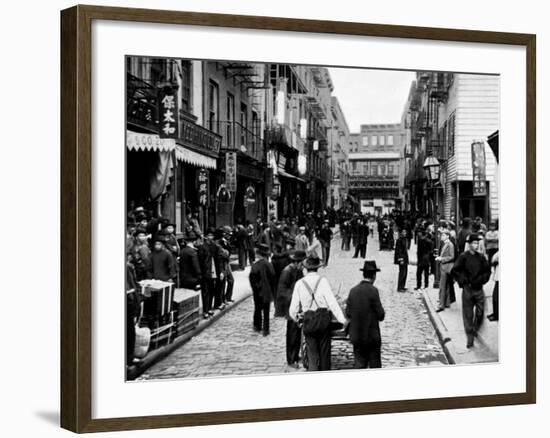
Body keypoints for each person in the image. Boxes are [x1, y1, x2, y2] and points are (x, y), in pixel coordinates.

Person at [289, 255, 347, 371]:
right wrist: (343, 320)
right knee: (325, 354)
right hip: (323, 321)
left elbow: (293, 310)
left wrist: (298, 320)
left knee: (312, 354)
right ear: (317, 268)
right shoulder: (323, 281)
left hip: (309, 321)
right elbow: (332, 303)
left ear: (306, 268)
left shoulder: (300, 284)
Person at [451, 234, 491, 348]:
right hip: (468, 290)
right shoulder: (463, 257)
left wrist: (481, 280)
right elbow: (455, 270)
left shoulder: (481, 257)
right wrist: (463, 281)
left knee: (480, 312)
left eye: (477, 243)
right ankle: (470, 338)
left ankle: (474, 329)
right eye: (474, 243)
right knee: (468, 315)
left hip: (478, 289)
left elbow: (487, 272)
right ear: (469, 245)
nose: (476, 245)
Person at [345, 260, 385, 368]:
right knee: (375, 366)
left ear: (363, 274)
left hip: (357, 337)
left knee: (359, 365)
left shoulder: (353, 291)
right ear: (374, 276)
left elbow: (348, 313)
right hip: (371, 338)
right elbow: (381, 315)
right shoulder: (373, 291)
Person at [277, 250, 307, 367]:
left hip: (298, 306)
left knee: (297, 332)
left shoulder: (298, 270)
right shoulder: (287, 271)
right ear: (298, 262)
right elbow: (282, 291)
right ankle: (291, 359)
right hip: (291, 306)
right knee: (292, 334)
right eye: (303, 262)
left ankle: (295, 355)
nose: (304, 265)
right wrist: (295, 297)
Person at [249, 244, 276, 336]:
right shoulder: (269, 265)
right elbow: (273, 277)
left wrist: (255, 289)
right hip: (267, 291)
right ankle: (266, 329)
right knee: (266, 311)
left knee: (257, 308)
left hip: (258, 291)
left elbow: (252, 279)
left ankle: (257, 326)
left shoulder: (255, 265)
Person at [197, 228, 221, 319]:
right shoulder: (202, 247)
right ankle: (205, 310)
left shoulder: (214, 246)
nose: (210, 237)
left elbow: (217, 259)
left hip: (213, 271)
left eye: (212, 236)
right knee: (205, 292)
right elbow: (200, 261)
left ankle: (209, 308)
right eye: (209, 236)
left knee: (211, 290)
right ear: (206, 237)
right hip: (205, 272)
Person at [435, 230, 455, 311]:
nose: (441, 237)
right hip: (444, 267)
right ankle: (446, 302)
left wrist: (441, 259)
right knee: (445, 286)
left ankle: (441, 305)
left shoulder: (450, 245)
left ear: (447, 236)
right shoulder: (445, 244)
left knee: (442, 286)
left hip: (446, 267)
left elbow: (451, 256)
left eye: (443, 235)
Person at [487, 251, 499, 322]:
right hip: (498, 277)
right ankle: (495, 313)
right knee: (495, 296)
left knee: (496, 297)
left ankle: (496, 314)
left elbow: (494, 258)